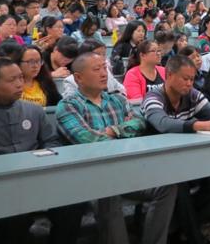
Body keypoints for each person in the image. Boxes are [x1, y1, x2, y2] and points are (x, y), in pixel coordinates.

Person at [57, 52, 176, 244]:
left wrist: (113, 131)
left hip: (127, 168)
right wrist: (123, 130)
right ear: (78, 77)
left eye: (105, 68)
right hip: (92, 175)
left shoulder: (117, 100)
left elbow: (140, 123)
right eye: (96, 69)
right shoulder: (68, 106)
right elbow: (88, 140)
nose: (104, 73)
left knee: (167, 186)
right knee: (107, 190)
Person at [142, 55, 210, 243]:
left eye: (192, 79)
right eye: (185, 78)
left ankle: (180, 227)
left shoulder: (192, 94)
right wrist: (199, 125)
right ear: (169, 75)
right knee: (178, 183)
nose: (190, 83)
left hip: (186, 158)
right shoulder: (153, 97)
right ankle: (194, 237)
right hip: (158, 162)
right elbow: (162, 123)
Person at [0, 58, 85, 244]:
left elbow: (51, 141)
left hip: (36, 179)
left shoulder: (34, 111)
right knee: (13, 218)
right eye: (12, 80)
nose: (19, 84)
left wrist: (43, 158)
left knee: (73, 203)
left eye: (21, 77)